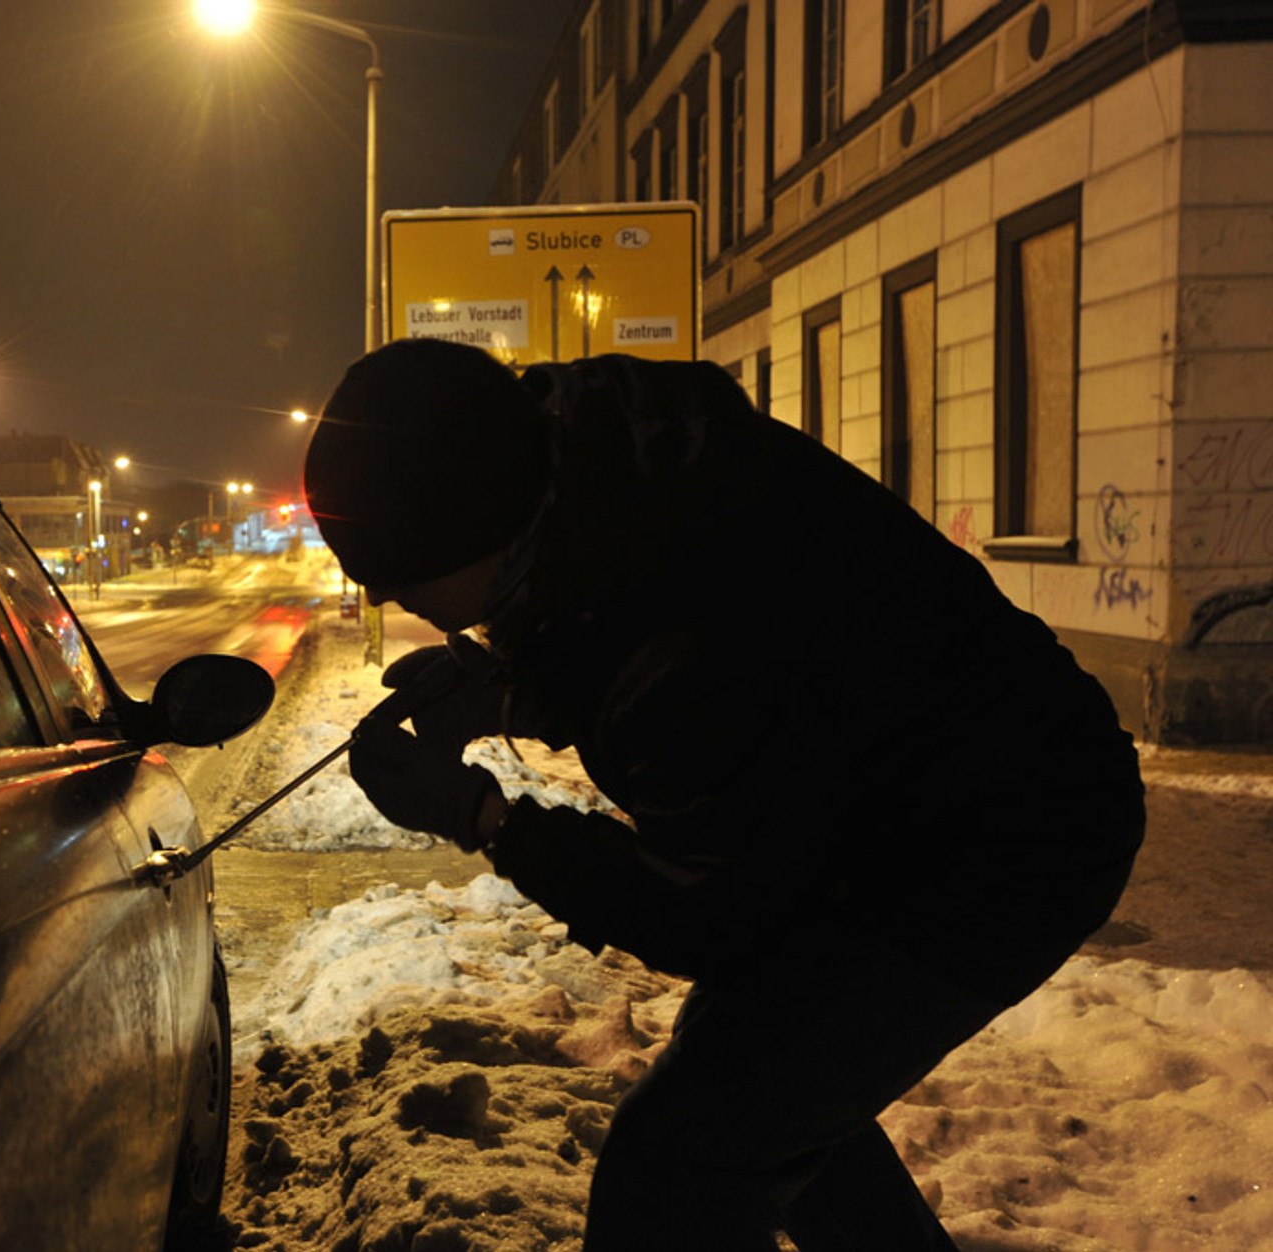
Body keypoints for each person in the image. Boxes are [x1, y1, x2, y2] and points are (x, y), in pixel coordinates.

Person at [300, 337, 1145, 1252]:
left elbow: (704, 908)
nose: (384, 596)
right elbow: (610, 626)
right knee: (753, 1089)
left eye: (403, 575)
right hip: (899, 806)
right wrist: (506, 693)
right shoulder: (598, 468)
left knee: (678, 1161)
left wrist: (483, 817)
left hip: (1005, 837)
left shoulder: (687, 619)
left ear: (479, 527)